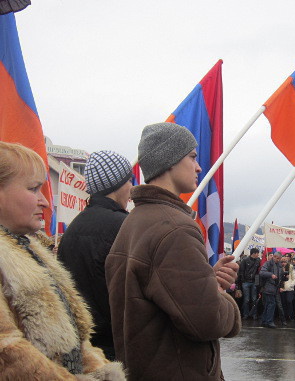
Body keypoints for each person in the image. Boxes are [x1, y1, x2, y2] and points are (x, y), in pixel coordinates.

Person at [105, 122, 241, 380]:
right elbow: (206, 319)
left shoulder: (135, 221)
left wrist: (206, 279)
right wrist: (226, 305)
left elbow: (159, 296)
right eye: (192, 157)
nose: (199, 167)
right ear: (169, 161)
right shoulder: (175, 229)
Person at [0, 142, 125, 380]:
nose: (46, 202)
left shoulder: (32, 250)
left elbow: (75, 340)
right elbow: (8, 353)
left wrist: (99, 371)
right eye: (33, 189)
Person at [58, 150, 133, 360]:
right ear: (116, 184)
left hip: (84, 349)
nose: (131, 187)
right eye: (129, 180)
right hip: (118, 348)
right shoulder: (122, 226)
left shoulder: (74, 228)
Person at [259, 251, 284, 328]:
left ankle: (264, 320)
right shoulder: (268, 263)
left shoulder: (279, 265)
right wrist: (271, 275)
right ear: (274, 257)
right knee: (271, 304)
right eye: (277, 258)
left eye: (280, 259)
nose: (278, 260)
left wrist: (285, 278)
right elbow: (262, 272)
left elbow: (280, 276)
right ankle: (269, 321)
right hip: (268, 286)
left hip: (275, 287)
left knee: (268, 304)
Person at [238, 248, 261, 320]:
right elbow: (241, 271)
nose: (258, 255)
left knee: (254, 299)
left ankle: (254, 314)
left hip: (254, 282)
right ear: (253, 253)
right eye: (257, 253)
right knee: (246, 299)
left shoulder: (258, 261)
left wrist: (257, 283)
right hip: (246, 282)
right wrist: (243, 281)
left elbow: (257, 272)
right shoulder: (245, 260)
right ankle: (246, 314)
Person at [280, 256, 295, 322]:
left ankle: (291, 315)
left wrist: (291, 285)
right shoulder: (279, 268)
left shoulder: (290, 268)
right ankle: (284, 316)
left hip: (289, 288)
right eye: (282, 262)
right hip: (282, 288)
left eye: (285, 262)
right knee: (283, 302)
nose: (283, 263)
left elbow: (294, 278)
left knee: (289, 301)